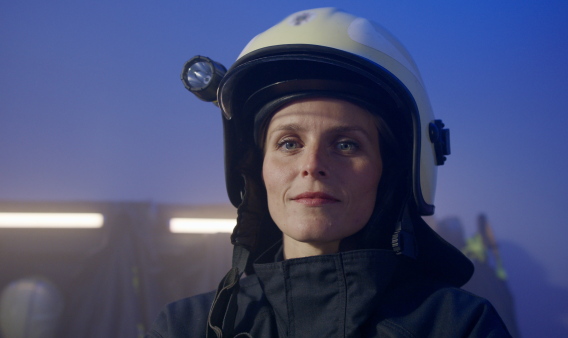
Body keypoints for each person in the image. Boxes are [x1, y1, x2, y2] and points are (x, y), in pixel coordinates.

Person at [147, 7, 511, 337]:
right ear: (257, 170)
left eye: (346, 144)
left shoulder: (458, 326)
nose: (311, 166)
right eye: (289, 143)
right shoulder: (185, 327)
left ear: (389, 172)